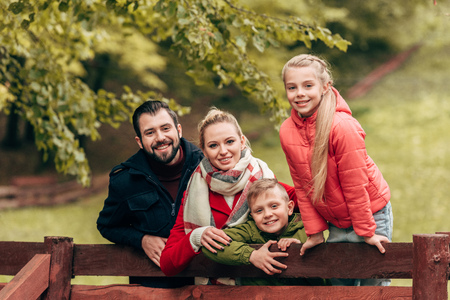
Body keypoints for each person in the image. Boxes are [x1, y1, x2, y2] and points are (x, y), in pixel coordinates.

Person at [279, 54, 393, 286]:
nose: (299, 93)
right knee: (339, 284)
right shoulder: (287, 131)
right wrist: (315, 232)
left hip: (370, 212)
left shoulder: (342, 127)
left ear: (325, 87)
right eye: (292, 87)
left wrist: (367, 232)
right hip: (336, 220)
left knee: (373, 283)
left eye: (307, 85)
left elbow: (355, 185)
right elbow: (302, 186)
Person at [160, 108, 296, 283]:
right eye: (213, 145)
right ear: (204, 150)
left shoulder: (264, 180)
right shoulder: (194, 192)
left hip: (260, 288)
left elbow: (307, 204)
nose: (223, 151)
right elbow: (167, 264)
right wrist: (196, 236)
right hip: (214, 292)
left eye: (229, 141)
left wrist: (293, 236)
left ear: (241, 142)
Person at [96, 100, 204, 288]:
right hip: (152, 287)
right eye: (150, 132)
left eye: (165, 128)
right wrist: (141, 239)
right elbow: (107, 226)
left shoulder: (206, 166)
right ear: (140, 141)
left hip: (206, 284)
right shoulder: (125, 180)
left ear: (179, 130)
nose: (160, 137)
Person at [202, 178, 327, 286]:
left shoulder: (305, 228)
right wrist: (251, 255)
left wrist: (297, 247)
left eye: (274, 206)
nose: (267, 214)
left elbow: (323, 272)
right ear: (252, 216)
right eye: (259, 210)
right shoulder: (250, 230)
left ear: (289, 208)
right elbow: (211, 245)